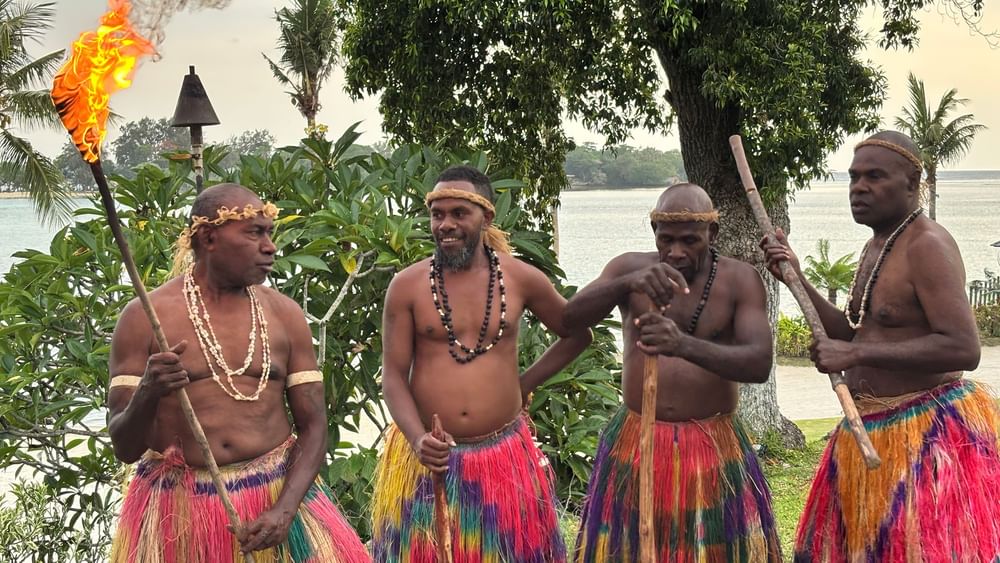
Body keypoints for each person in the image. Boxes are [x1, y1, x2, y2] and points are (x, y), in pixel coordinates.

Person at [761, 131, 1000, 562]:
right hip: (870, 431)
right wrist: (796, 276)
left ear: (913, 184)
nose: (859, 188)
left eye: (874, 177)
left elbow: (963, 348)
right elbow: (854, 333)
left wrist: (855, 356)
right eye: (853, 178)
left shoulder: (927, 244)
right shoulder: (877, 245)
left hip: (927, 436)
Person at [107, 184, 370, 562]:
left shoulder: (285, 315)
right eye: (255, 233)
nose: (270, 247)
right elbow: (125, 447)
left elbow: (314, 427)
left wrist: (285, 509)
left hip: (275, 500)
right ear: (209, 237)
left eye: (269, 233)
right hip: (179, 513)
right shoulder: (144, 317)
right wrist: (149, 389)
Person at [371, 165, 593, 562]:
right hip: (427, 460)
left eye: (459, 213)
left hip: (503, 457)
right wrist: (418, 439)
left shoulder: (522, 278)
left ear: (487, 217)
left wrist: (523, 384)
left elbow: (576, 334)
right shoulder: (407, 286)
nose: (446, 225)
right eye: (437, 214)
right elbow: (392, 377)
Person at [565, 182, 782, 562]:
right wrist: (627, 284)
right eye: (666, 240)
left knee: (711, 552)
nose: (676, 252)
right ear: (654, 233)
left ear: (712, 233)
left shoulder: (739, 279)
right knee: (628, 550)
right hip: (637, 442)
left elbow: (759, 363)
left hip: (711, 447)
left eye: (690, 241)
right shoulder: (629, 269)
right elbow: (568, 320)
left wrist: (683, 345)